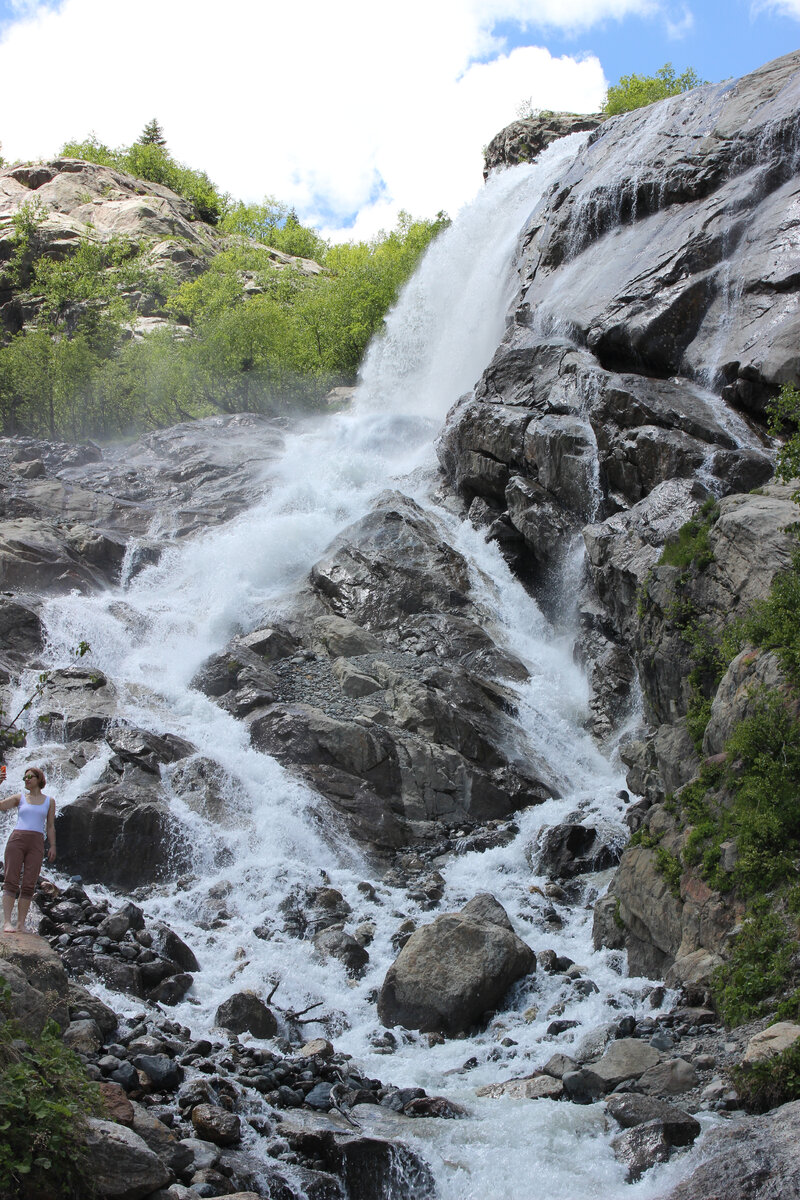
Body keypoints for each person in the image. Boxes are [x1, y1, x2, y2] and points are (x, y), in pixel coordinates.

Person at [1, 767, 56, 933]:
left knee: (29, 883)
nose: (26, 779)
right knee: (11, 880)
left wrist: (53, 845)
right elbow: (1, 806)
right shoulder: (20, 798)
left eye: (30, 776)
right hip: (17, 840)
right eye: (24, 777)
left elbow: (50, 826)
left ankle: (21, 924)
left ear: (39, 779)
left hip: (37, 843)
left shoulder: (49, 801)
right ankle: (7, 922)